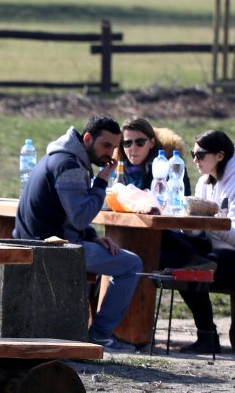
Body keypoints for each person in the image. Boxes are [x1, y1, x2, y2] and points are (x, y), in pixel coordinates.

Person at [14, 115, 143, 353]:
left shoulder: (62, 157)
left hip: (40, 242)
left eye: (115, 147)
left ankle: (87, 334)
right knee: (131, 264)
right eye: (106, 145)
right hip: (51, 248)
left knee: (114, 259)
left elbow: (69, 215)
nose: (111, 154)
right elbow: (80, 216)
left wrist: (92, 236)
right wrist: (101, 183)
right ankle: (101, 336)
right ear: (87, 138)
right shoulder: (70, 165)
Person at [163, 130, 235, 354]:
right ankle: (205, 336)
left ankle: (207, 336)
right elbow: (203, 233)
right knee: (168, 244)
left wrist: (206, 221)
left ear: (219, 155)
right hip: (217, 252)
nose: (195, 159)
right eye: (193, 154)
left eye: (200, 155)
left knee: (192, 271)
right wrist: (190, 227)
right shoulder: (205, 183)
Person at [113, 117, 191, 195]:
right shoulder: (113, 169)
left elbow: (184, 201)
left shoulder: (171, 169)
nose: (133, 148)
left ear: (152, 142)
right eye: (127, 143)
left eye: (140, 142)